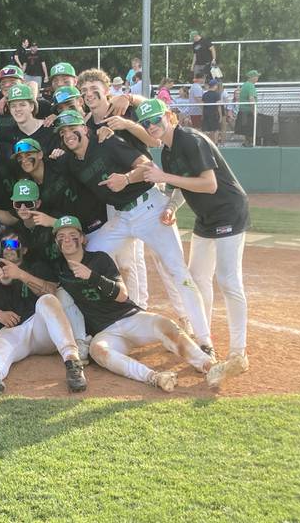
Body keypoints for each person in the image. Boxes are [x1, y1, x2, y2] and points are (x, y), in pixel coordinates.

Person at [55, 108, 215, 357]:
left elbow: (146, 165)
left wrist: (127, 179)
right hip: (121, 217)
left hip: (150, 208)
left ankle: (204, 340)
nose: (68, 135)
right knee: (85, 254)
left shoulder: (107, 143)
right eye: (62, 133)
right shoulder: (70, 161)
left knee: (177, 271)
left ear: (85, 128)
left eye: (72, 128)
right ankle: (91, 328)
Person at [50, 215, 241, 392]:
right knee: (98, 351)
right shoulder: (58, 269)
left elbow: (122, 296)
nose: (67, 239)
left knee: (165, 325)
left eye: (72, 234)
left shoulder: (99, 259)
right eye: (61, 236)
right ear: (56, 242)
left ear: (83, 238)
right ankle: (154, 377)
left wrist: (92, 276)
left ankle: (210, 366)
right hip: (105, 332)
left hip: (129, 317)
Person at [135, 98, 251, 376]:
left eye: (155, 119)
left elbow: (209, 185)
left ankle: (238, 352)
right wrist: (172, 206)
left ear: (169, 116)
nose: (152, 126)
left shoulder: (189, 140)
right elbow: (180, 184)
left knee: (228, 280)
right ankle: (204, 341)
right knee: (197, 278)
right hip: (207, 219)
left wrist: (164, 176)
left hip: (228, 213)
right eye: (146, 123)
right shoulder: (167, 150)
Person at [0, 230, 87, 394]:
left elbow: (53, 292)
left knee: (46, 300)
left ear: (24, 249)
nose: (8, 248)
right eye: (4, 244)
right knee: (1, 343)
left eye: (13, 244)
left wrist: (20, 275)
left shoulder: (36, 266)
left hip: (41, 329)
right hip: (14, 331)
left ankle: (73, 363)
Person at [5, 83, 59, 155]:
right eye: (13, 106)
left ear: (31, 107)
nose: (17, 109)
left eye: (22, 105)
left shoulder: (50, 129)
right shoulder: (9, 135)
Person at [235, 70, 259, 145]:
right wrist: (254, 110)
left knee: (246, 130)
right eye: (257, 76)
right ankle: (251, 143)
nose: (257, 78)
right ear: (253, 77)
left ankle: (246, 142)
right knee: (251, 129)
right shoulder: (251, 85)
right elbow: (251, 99)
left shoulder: (245, 85)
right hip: (248, 111)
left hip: (243, 110)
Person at [202, 79, 224, 144]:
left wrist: (202, 114)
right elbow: (218, 106)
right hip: (214, 114)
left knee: (206, 129)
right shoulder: (217, 94)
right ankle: (215, 143)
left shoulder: (205, 94)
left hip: (206, 113)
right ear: (215, 86)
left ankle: (207, 143)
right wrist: (220, 116)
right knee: (216, 129)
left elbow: (203, 106)